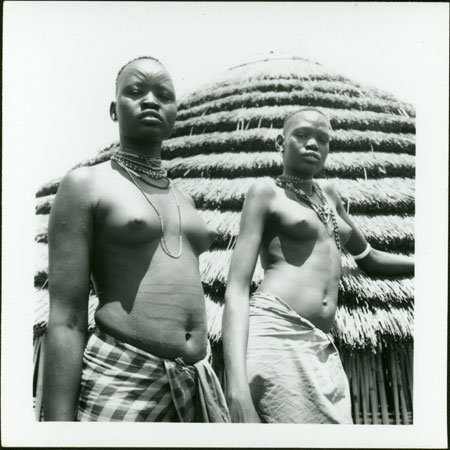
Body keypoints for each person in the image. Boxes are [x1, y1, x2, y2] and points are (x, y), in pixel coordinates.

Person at [43, 56, 230, 422]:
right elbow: (66, 318)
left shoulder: (185, 199)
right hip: (122, 377)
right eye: (135, 91)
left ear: (175, 112)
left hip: (197, 381)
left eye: (163, 94)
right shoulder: (86, 184)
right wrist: (58, 431)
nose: (150, 100)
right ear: (115, 110)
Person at [222, 107, 414, 424]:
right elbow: (237, 288)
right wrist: (236, 388)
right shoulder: (265, 193)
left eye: (323, 139)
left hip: (321, 345)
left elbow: (371, 259)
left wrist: (429, 265)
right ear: (279, 144)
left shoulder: (330, 196)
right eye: (302, 135)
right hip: (276, 331)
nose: (313, 144)